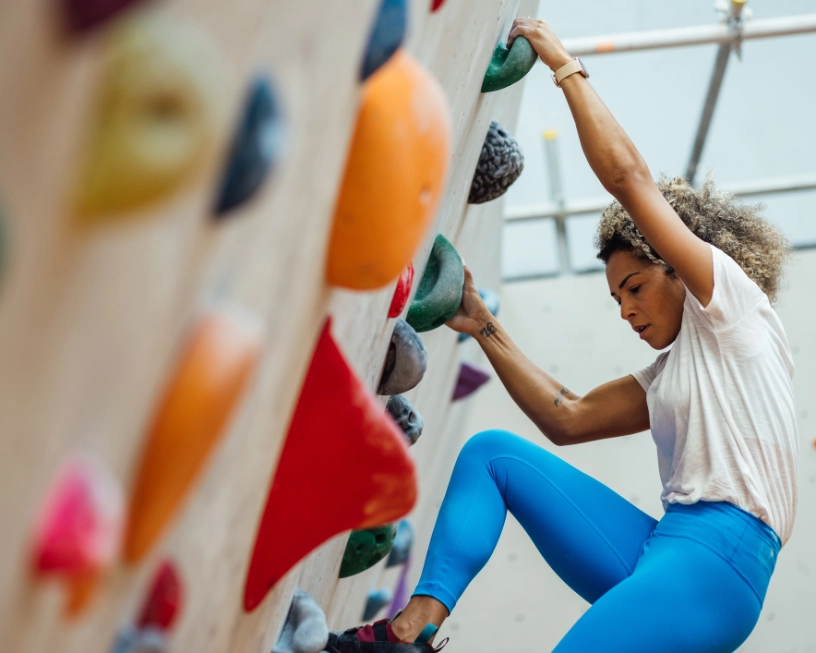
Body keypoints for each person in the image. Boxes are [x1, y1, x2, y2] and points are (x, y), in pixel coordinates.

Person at [326, 17, 797, 653]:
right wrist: (482, 324)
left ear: (679, 267)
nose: (626, 311)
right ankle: (410, 633)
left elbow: (631, 182)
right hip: (665, 545)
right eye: (614, 299)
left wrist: (564, 65)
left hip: (717, 564)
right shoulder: (679, 371)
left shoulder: (732, 304)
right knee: (492, 456)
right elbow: (568, 418)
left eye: (634, 288)